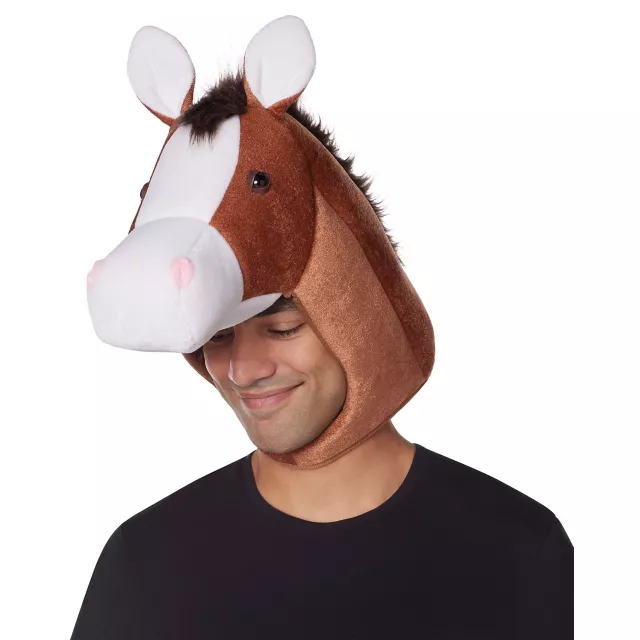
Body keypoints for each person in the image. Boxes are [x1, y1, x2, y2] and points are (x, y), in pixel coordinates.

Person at [72, 15, 573, 639]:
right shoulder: (144, 565)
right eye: (218, 337)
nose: (242, 370)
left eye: (282, 328)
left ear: (356, 309)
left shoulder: (520, 552)